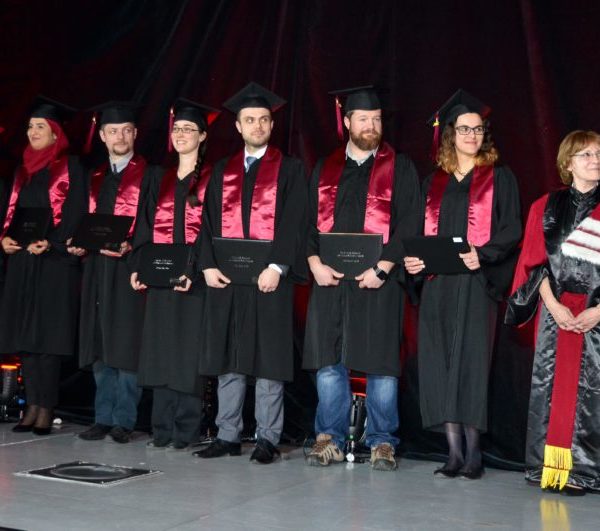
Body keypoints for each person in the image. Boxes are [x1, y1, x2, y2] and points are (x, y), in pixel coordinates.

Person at [302, 86, 421, 471]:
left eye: (377, 119)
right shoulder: (326, 167)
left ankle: (382, 441)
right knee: (328, 360)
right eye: (364, 119)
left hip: (379, 281)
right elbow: (306, 222)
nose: (371, 125)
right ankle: (330, 439)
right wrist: (314, 263)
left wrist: (384, 267)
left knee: (381, 362)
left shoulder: (399, 167)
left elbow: (410, 221)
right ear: (347, 121)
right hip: (330, 281)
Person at [404, 90, 522, 479]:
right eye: (464, 129)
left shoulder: (499, 178)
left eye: (477, 129)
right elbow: (417, 234)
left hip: (474, 285)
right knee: (439, 362)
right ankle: (452, 453)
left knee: (470, 365)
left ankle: (474, 454)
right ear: (450, 135)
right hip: (438, 285)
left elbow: (511, 230)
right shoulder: (432, 182)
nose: (472, 135)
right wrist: (414, 262)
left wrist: (483, 255)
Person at [194, 82, 308, 464]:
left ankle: (267, 438)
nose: (257, 125)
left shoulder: (289, 169)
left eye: (263, 119)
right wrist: (208, 265)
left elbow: (294, 222)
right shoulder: (222, 170)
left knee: (268, 359)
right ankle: (227, 434)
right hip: (227, 280)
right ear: (238, 126)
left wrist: (277, 266)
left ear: (271, 125)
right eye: (249, 120)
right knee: (229, 356)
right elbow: (207, 223)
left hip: (269, 280)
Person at [506, 130, 600, 496]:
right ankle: (548, 467)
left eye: (598, 154)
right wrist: (555, 306)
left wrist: (597, 312)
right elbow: (533, 266)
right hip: (555, 315)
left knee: (592, 392)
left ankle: (584, 472)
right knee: (548, 387)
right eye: (586, 154)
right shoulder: (544, 207)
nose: (595, 160)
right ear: (568, 162)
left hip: (595, 317)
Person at [130, 98, 218, 450]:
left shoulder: (212, 178)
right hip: (159, 279)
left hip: (192, 282)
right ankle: (161, 427)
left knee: (187, 355)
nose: (180, 134)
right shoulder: (159, 177)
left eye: (188, 129)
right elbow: (144, 225)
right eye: (176, 128)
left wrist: (193, 271)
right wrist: (138, 266)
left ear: (202, 136)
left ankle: (186, 429)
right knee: (160, 350)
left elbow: (211, 231)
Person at [71, 102, 158, 444]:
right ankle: (102, 417)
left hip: (127, 270)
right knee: (99, 343)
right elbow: (83, 222)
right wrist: (76, 243)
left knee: (126, 344)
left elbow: (153, 224)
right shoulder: (94, 177)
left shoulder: (150, 175)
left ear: (135, 134)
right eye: (112, 131)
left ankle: (124, 419)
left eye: (125, 131)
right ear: (103, 137)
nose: (119, 137)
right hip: (96, 270)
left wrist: (132, 246)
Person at [0, 96, 86, 435]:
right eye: (30, 127)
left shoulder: (71, 168)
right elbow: (11, 216)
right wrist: (4, 238)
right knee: (26, 338)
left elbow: (76, 213)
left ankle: (46, 407)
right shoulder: (22, 171)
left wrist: (53, 243)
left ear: (55, 134)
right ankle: (31, 406)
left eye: (41, 127)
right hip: (23, 262)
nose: (33, 132)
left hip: (53, 263)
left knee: (47, 339)